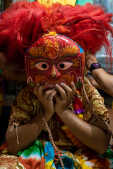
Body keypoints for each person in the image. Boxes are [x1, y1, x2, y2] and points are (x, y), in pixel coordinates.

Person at [0, 1, 113, 168]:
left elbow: (101, 144)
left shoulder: (85, 92)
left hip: (83, 156)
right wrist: (45, 114)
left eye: (62, 65)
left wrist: (64, 112)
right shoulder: (30, 93)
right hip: (37, 156)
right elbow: (13, 144)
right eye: (44, 65)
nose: (53, 74)